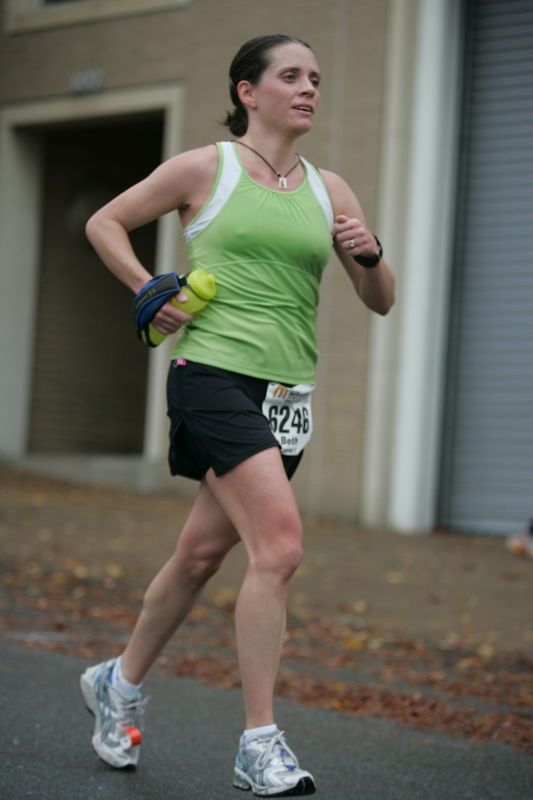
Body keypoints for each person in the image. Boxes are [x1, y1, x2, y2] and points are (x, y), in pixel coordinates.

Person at [80, 33, 395, 796]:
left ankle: (114, 683)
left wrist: (368, 252)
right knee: (279, 548)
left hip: (286, 395)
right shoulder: (206, 167)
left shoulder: (332, 189)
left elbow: (380, 301)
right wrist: (151, 288)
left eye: (316, 77)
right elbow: (103, 222)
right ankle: (260, 743)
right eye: (290, 76)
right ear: (247, 92)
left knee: (198, 557)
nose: (308, 88)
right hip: (212, 373)